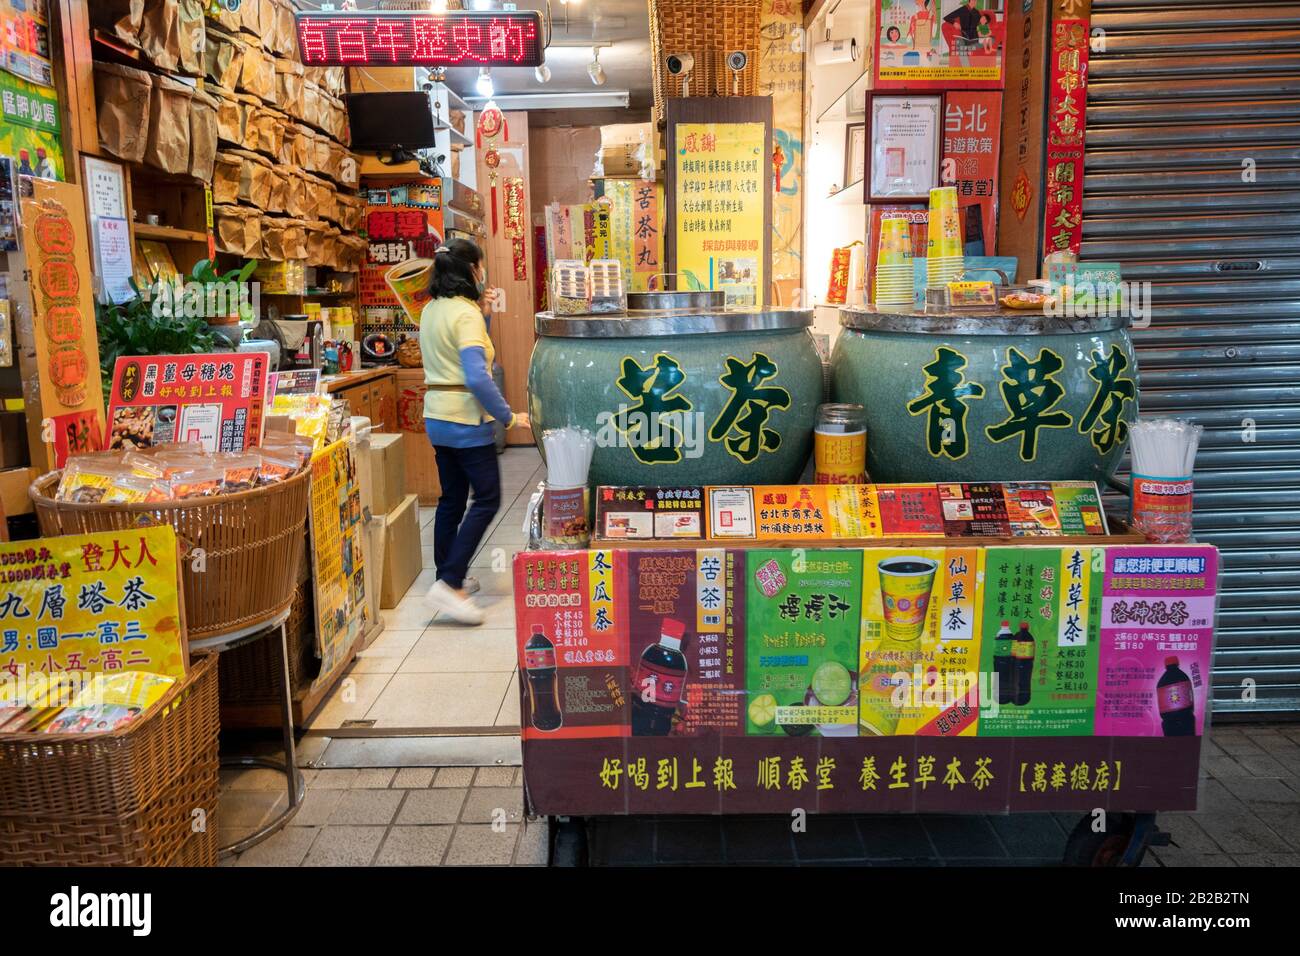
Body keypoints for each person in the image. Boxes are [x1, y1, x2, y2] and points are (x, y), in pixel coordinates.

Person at [419, 238, 528, 625]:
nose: (483, 273)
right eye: (480, 267)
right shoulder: (464, 314)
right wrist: (510, 417)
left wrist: (484, 313)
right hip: (466, 420)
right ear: (470, 270)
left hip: (436, 417)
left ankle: (448, 575)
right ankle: (450, 583)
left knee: (451, 499)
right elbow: (476, 377)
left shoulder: (432, 310)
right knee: (486, 499)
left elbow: (458, 352)